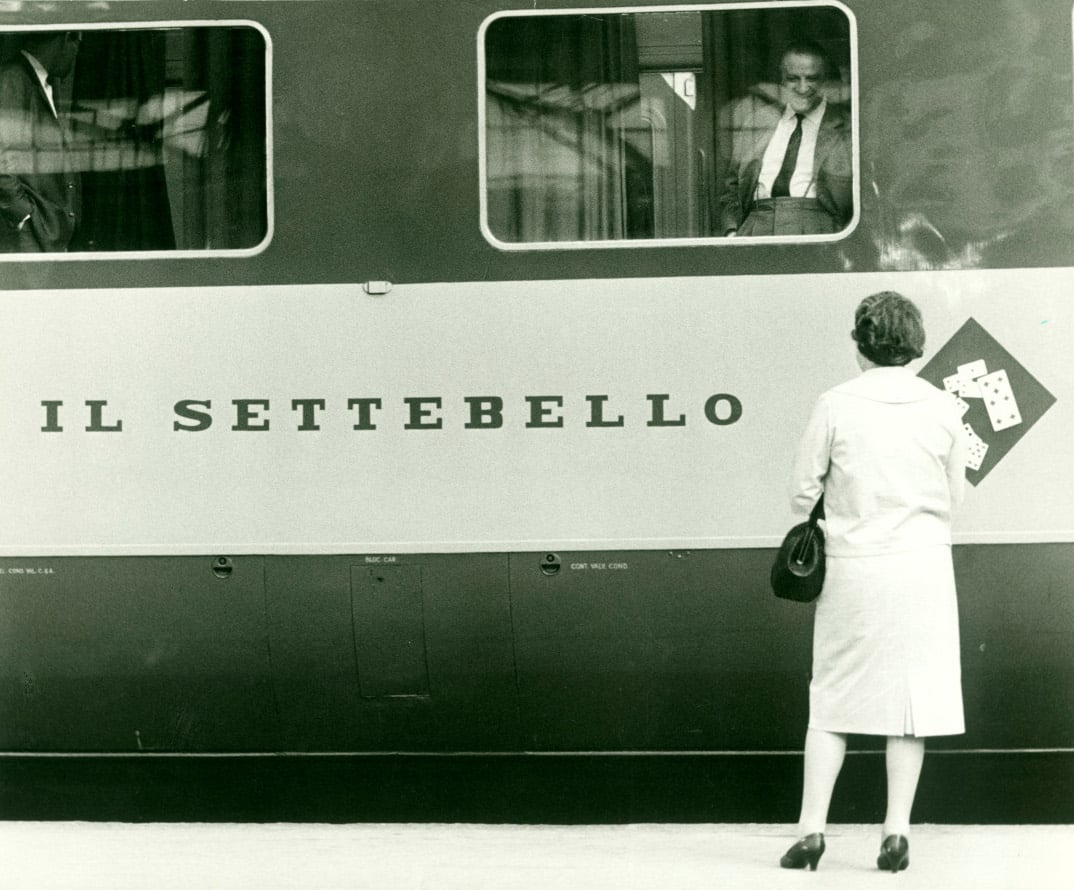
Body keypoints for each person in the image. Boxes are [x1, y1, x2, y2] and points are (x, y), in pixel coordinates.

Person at [781, 291, 967, 872]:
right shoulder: (944, 408)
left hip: (855, 569)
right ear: (916, 344)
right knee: (909, 706)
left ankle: (812, 834)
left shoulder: (835, 403)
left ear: (860, 345)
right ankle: (895, 835)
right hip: (923, 569)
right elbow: (954, 496)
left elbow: (800, 494)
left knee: (833, 701)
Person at [718, 39, 852, 237]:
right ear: (782, 80)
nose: (803, 87)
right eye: (793, 78)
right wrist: (732, 231)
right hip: (755, 226)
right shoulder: (757, 120)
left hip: (820, 229)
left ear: (824, 81)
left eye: (812, 78)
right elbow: (731, 188)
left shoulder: (846, 126)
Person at [0, 31, 82, 252]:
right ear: (65, 38)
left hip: (42, 236)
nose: (76, 54)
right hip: (27, 239)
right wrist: (25, 217)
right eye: (77, 42)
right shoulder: (13, 79)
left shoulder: (39, 82)